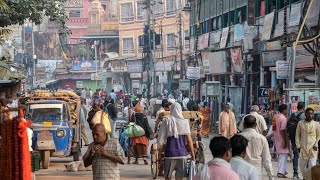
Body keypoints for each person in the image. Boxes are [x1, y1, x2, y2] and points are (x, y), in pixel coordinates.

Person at [158, 102, 195, 180]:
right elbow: (189, 140)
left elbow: (161, 140)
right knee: (179, 178)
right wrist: (193, 154)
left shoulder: (166, 121)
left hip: (169, 154)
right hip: (182, 154)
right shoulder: (185, 122)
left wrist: (159, 155)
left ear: (171, 110)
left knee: (167, 177)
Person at [239, 115, 274, 180]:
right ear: (255, 125)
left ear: (244, 125)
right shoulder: (262, 139)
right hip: (256, 172)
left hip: (241, 172)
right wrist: (271, 177)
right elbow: (267, 160)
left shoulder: (238, 138)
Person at [296, 108, 320, 179]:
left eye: (311, 114)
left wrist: (316, 145)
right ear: (305, 114)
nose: (310, 115)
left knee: (312, 167)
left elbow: (319, 136)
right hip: (303, 149)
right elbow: (297, 135)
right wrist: (298, 147)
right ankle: (305, 178)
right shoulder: (300, 123)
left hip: (313, 149)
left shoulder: (316, 124)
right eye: (308, 114)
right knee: (302, 168)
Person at [287, 102, 305, 179]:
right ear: (303, 107)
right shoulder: (303, 116)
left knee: (296, 156)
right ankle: (305, 174)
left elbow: (287, 126)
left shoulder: (292, 115)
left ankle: (295, 174)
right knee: (305, 156)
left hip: (293, 138)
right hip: (302, 139)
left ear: (297, 107)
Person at [273, 104, 290, 178]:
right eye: (286, 109)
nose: (287, 110)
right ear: (284, 110)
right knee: (283, 155)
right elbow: (283, 130)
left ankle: (282, 171)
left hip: (276, 138)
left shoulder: (275, 117)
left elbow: (274, 128)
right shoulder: (284, 119)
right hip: (282, 138)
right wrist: (285, 141)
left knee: (280, 156)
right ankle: (280, 172)